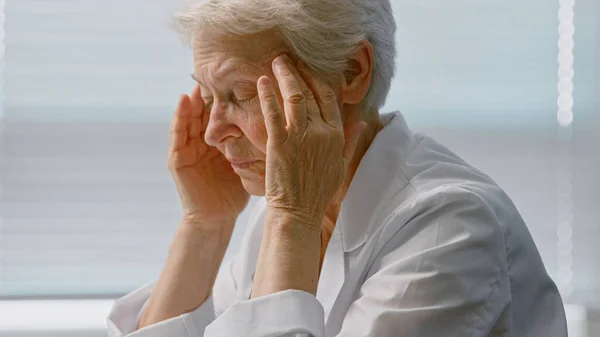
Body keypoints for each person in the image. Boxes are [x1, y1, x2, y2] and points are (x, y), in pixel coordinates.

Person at [107, 0, 567, 336]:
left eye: (240, 95)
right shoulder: (276, 220)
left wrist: (292, 219)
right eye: (208, 98)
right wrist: (204, 225)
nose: (212, 132)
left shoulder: (451, 228)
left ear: (350, 72)